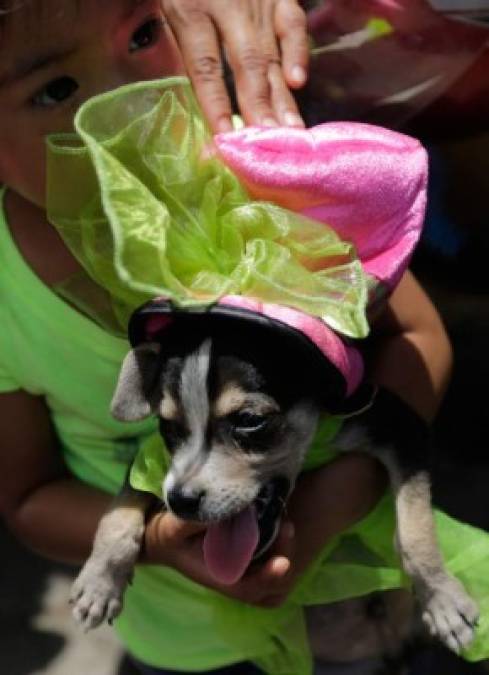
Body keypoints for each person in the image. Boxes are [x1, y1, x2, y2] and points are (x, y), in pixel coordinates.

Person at [0, 1, 452, 674]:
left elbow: (416, 337)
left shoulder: (269, 181)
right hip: (181, 637)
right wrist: (152, 538)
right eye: (54, 89)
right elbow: (27, 498)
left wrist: (328, 509)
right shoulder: (10, 297)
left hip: (352, 593)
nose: (128, 105)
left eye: (144, 35)